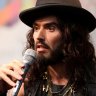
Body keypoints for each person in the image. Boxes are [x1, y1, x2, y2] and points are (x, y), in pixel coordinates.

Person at [0, 0, 96, 96]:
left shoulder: (92, 82)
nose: (39, 36)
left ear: (72, 35)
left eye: (51, 28)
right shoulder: (27, 83)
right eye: (36, 28)